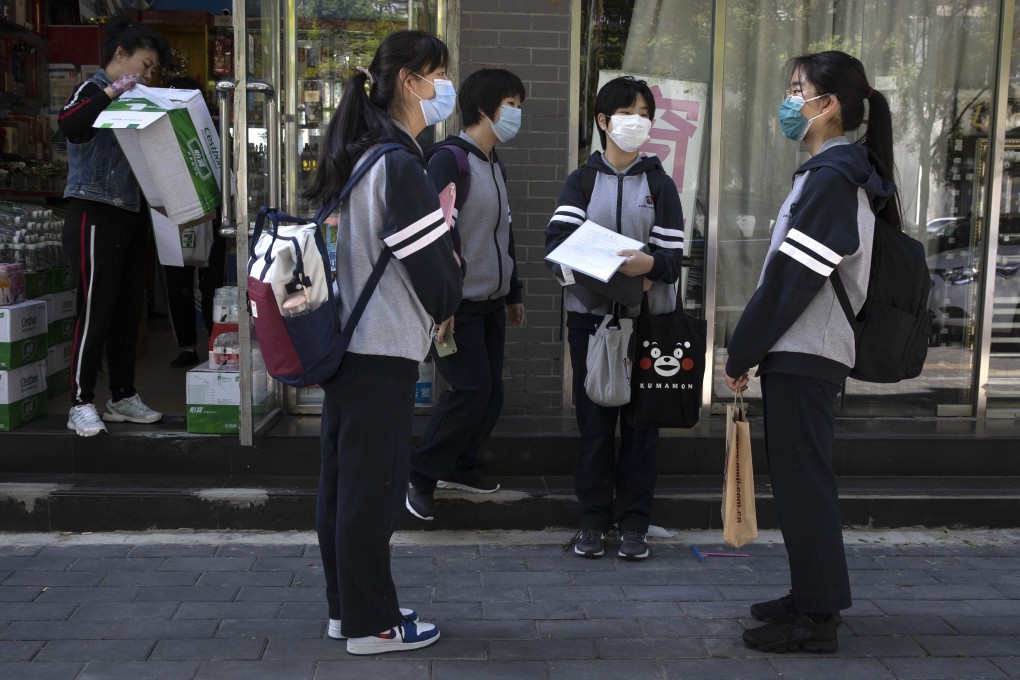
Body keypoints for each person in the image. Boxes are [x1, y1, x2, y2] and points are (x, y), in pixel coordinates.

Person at [724, 51, 900, 653]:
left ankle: (817, 617)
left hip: (808, 347)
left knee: (805, 485)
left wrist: (741, 349)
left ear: (829, 106)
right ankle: (808, 595)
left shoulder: (832, 178)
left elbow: (792, 279)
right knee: (799, 482)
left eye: (799, 90)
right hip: (803, 348)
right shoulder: (828, 173)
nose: (790, 100)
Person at [304, 30, 462, 655]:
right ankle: (373, 624)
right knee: (372, 491)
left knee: (344, 485)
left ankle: (349, 609)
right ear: (409, 81)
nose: (443, 86)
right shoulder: (398, 164)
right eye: (438, 74)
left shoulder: (361, 155)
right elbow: (435, 274)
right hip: (381, 350)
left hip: (347, 348)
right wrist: (451, 293)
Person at [544, 76, 684, 560]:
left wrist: (647, 269)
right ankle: (591, 522)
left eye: (646, 113)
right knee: (595, 424)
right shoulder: (581, 180)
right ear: (603, 121)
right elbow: (559, 250)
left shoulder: (660, 183)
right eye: (628, 112)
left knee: (643, 428)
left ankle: (635, 525)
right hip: (592, 324)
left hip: (650, 325)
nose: (638, 121)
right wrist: (630, 276)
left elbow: (672, 257)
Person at [405, 68, 526, 520]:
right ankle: (420, 475)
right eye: (510, 104)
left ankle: (461, 463)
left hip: (491, 302)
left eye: (518, 105)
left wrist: (513, 292)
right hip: (457, 307)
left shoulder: (494, 164)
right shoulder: (450, 160)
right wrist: (442, 302)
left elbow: (503, 232)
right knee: (469, 390)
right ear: (484, 109)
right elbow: (434, 236)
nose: (516, 113)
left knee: (490, 392)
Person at [59, 16, 172, 437]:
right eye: (143, 64)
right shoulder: (91, 90)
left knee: (128, 311)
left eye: (151, 68)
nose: (146, 74)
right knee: (95, 309)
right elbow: (68, 124)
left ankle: (122, 395)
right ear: (119, 55)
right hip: (95, 212)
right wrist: (111, 91)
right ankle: (79, 401)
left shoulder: (136, 98)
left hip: (131, 213)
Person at [161, 76, 226, 370]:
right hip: (172, 211)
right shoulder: (159, 126)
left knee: (212, 283)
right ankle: (188, 346)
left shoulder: (210, 126)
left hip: (210, 211)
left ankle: (217, 341)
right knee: (179, 284)